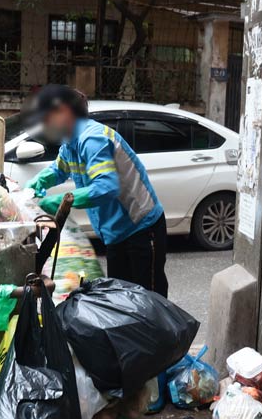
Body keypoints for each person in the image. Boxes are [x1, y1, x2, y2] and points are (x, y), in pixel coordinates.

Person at [26, 84, 168, 297]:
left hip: (141, 228)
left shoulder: (92, 139)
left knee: (149, 300)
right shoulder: (70, 143)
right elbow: (60, 169)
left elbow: (106, 188)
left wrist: (62, 201)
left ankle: (162, 331)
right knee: (121, 300)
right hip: (115, 235)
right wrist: (38, 182)